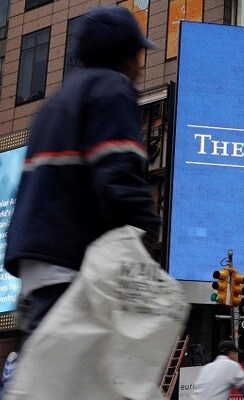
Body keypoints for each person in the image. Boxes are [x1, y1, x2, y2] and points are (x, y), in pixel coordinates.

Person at [4, 5, 160, 343]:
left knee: (51, 366)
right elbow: (117, 173)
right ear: (125, 56)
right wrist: (147, 231)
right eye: (139, 54)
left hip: (37, 266)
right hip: (73, 262)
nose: (142, 64)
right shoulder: (112, 89)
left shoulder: (54, 104)